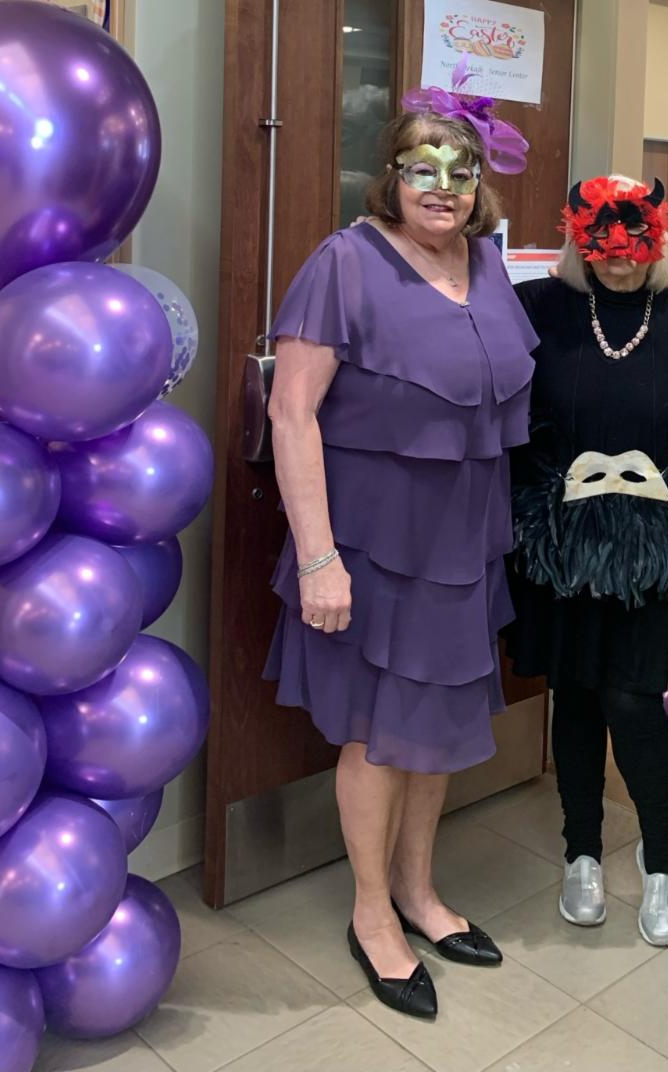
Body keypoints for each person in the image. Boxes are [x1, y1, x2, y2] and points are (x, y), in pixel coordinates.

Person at [264, 63, 537, 1023]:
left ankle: (421, 891)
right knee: (380, 738)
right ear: (391, 175)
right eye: (422, 169)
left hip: (466, 546)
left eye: (460, 171)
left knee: (436, 729)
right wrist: (318, 558)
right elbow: (291, 414)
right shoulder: (345, 262)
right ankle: (372, 912)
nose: (441, 188)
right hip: (373, 547)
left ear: (479, 183)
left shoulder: (489, 263)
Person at [506, 176, 668, 948]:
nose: (619, 255)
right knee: (576, 695)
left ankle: (661, 858)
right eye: (603, 238)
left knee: (634, 697)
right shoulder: (542, 307)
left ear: (659, 239)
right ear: (578, 237)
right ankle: (581, 850)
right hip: (565, 543)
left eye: (637, 238)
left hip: (652, 546)